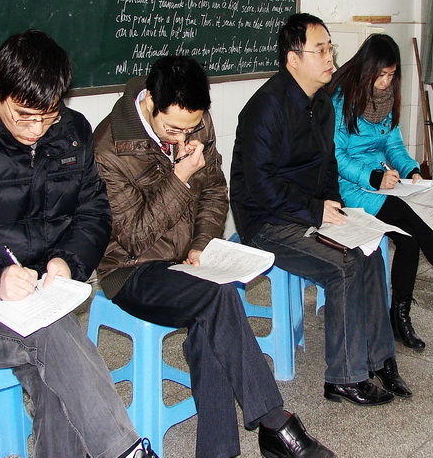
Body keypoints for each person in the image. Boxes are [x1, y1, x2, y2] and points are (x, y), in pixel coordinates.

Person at [0, 30, 154, 458]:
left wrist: (68, 262)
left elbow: (94, 213)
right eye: (24, 116)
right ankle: (125, 450)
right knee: (51, 337)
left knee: (53, 371)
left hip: (39, 297)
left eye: (48, 115)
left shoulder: (72, 132)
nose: (36, 129)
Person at [92, 56, 335, 458]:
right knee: (217, 297)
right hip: (133, 269)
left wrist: (201, 243)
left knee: (211, 318)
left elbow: (215, 191)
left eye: (191, 128)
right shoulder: (109, 148)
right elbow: (133, 238)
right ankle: (274, 420)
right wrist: (180, 176)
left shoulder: (196, 121)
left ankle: (219, 451)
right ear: (150, 101)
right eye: (173, 129)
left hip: (187, 261)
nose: (183, 137)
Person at [230, 13, 411, 407]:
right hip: (267, 220)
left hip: (309, 212)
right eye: (321, 50)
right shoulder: (266, 108)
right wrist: (314, 211)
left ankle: (380, 359)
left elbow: (328, 164)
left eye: (331, 48)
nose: (331, 58)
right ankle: (344, 378)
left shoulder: (323, 103)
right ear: (293, 59)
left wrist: (336, 209)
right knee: (345, 265)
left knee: (369, 250)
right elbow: (261, 187)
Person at [327, 33, 433, 350]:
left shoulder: (387, 100)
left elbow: (393, 145)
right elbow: (336, 156)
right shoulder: (342, 100)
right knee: (405, 216)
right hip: (349, 186)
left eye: (391, 75)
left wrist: (411, 170)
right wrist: (373, 177)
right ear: (367, 69)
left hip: (383, 183)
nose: (386, 82)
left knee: (410, 239)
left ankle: (400, 317)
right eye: (381, 75)